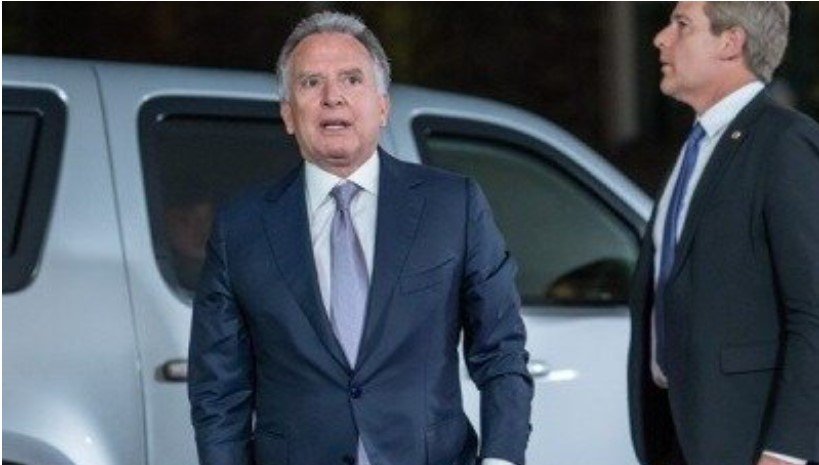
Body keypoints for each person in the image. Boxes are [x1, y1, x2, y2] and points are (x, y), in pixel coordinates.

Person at [187, 11, 532, 465]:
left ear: (383, 106)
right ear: (288, 114)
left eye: (352, 80)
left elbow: (501, 350)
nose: (333, 97)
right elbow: (218, 391)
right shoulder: (241, 227)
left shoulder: (453, 206)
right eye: (311, 83)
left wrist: (501, 459)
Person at [628, 2, 819, 465]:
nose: (660, 39)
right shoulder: (697, 148)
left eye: (682, 25)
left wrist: (787, 452)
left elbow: (813, 308)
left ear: (731, 43)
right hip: (680, 435)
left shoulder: (784, 143)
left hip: (750, 443)